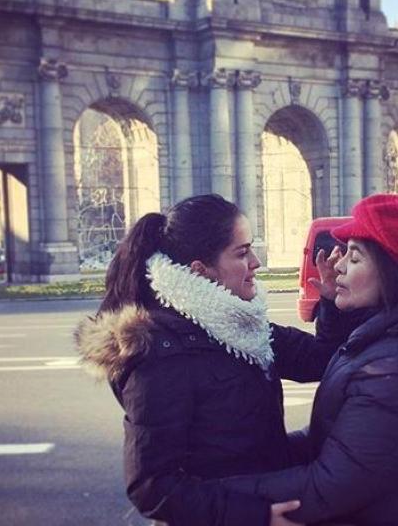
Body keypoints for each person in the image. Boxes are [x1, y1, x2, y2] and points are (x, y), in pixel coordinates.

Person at [220, 194, 398, 525]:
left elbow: (330, 487)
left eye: (354, 258)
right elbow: (329, 440)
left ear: (393, 272)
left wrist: (210, 499)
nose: (337, 265)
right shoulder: (393, 337)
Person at [74, 194, 357, 526]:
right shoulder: (163, 353)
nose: (256, 262)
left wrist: (332, 304)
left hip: (263, 493)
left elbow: (322, 360)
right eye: (242, 252)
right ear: (201, 270)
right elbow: (152, 485)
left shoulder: (241, 327)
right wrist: (253, 517)